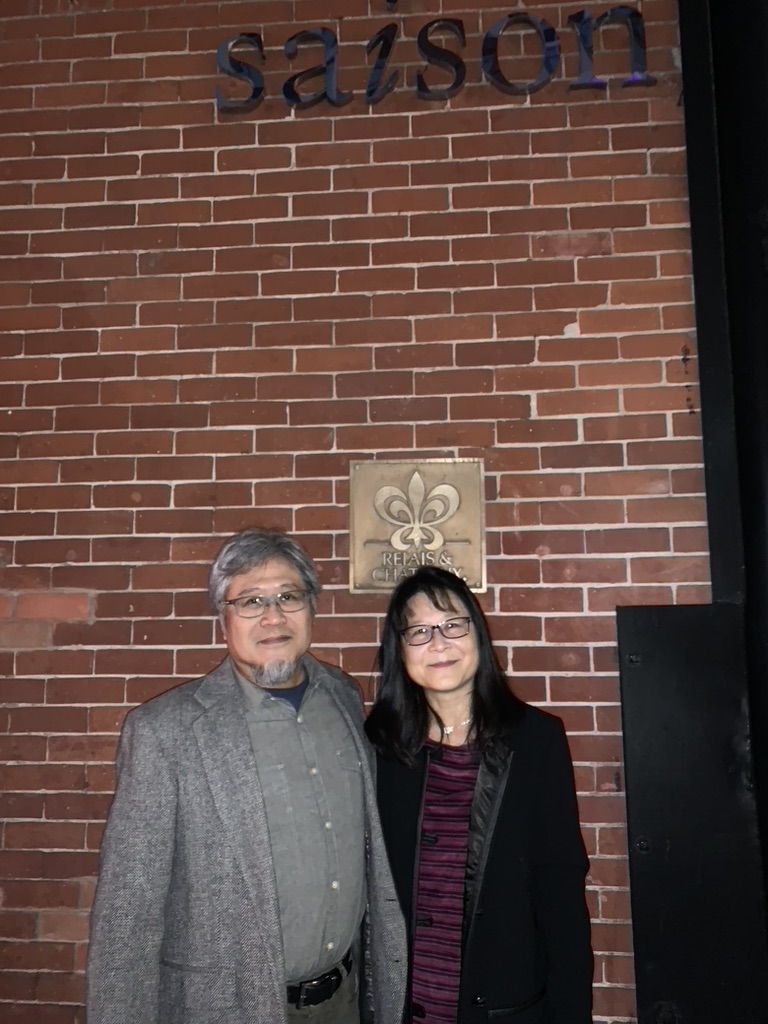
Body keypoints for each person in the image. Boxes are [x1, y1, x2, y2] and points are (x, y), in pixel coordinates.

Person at [87, 527, 407, 1024]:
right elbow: (127, 916)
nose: (273, 617)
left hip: (344, 1001)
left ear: (312, 608)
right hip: (224, 1009)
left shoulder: (343, 698)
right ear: (224, 617)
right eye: (251, 601)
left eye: (288, 597)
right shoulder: (164, 732)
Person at [364, 567, 592, 1024]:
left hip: (507, 1006)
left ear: (478, 636)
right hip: (404, 1006)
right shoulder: (378, 747)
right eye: (419, 631)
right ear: (399, 651)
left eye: (452, 625)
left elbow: (561, 893)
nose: (438, 643)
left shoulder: (536, 741)